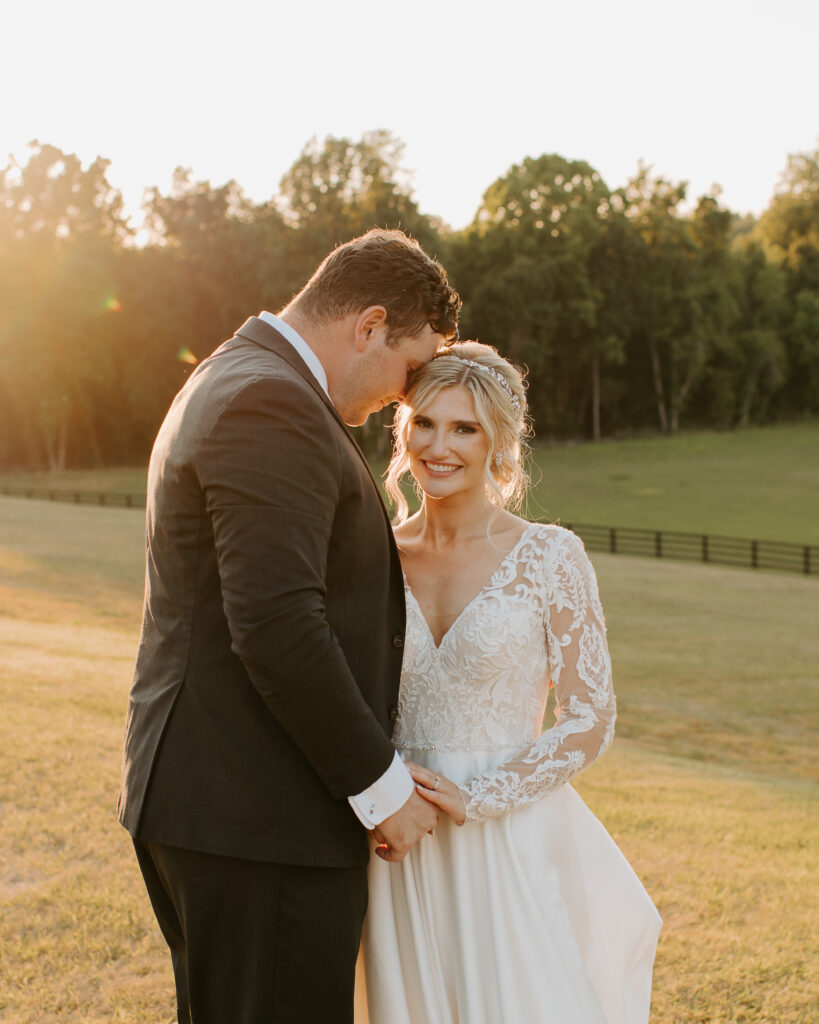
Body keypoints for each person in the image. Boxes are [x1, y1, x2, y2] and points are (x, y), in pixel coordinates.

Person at [117, 229, 461, 1023]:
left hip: (228, 807)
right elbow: (276, 622)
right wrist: (381, 789)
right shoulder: (269, 401)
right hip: (256, 815)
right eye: (409, 369)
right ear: (368, 325)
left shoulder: (235, 374)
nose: (402, 397)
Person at [357, 342, 662, 1024]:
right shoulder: (372, 552)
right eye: (425, 423)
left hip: (506, 834)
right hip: (398, 835)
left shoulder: (550, 557)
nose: (439, 445)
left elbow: (589, 718)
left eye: (464, 427)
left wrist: (483, 796)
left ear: (498, 442)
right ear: (403, 431)